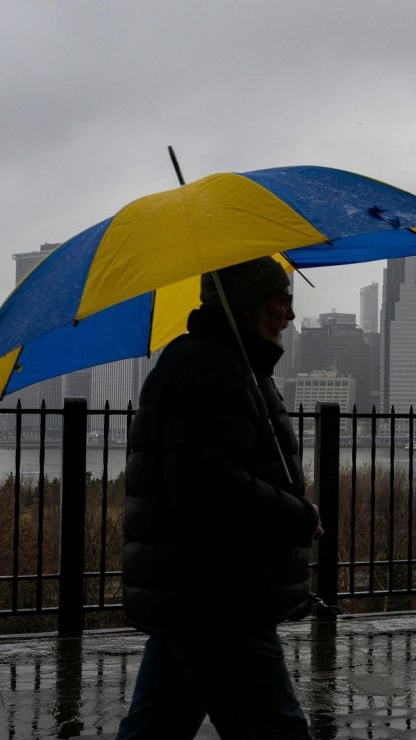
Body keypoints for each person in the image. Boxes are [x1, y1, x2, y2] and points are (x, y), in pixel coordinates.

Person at [115, 256, 322, 740]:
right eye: (283, 300)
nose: (290, 316)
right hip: (221, 594)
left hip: (195, 590)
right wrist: (297, 514)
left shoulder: (223, 366)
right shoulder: (214, 371)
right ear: (250, 303)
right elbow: (207, 485)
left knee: (155, 726)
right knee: (276, 731)